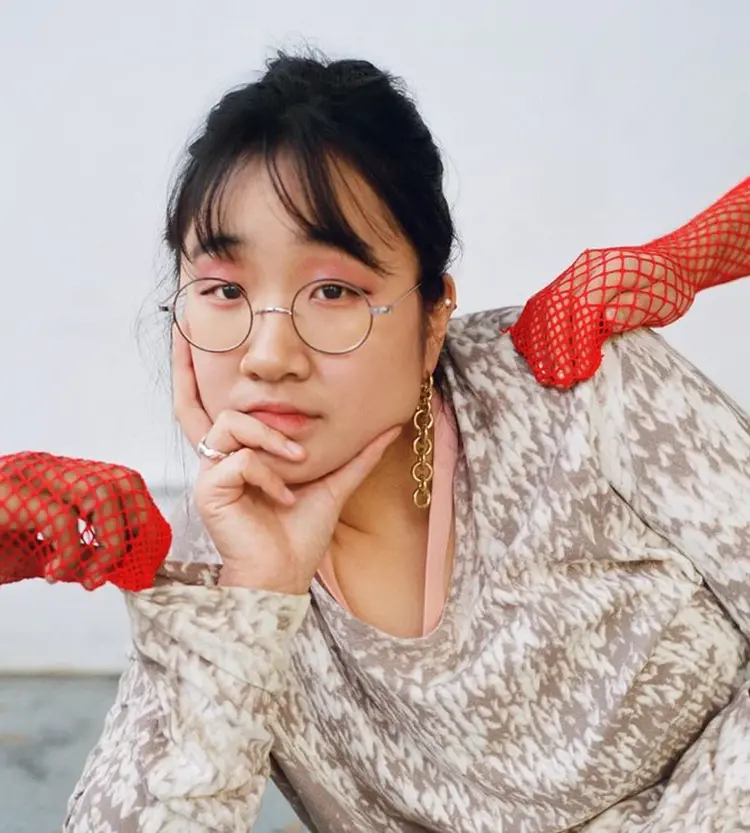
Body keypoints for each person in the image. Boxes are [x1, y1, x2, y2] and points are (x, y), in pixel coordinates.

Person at [2, 51, 749, 832]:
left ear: (433, 317)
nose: (268, 355)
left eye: (333, 291)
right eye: (224, 290)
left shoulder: (577, 382)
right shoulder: (207, 567)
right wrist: (257, 596)